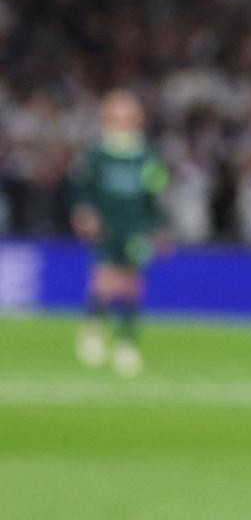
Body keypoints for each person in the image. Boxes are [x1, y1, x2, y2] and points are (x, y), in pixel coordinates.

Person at [70, 89, 169, 377]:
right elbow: (82, 188)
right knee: (104, 278)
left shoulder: (147, 154)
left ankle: (127, 342)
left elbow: (154, 194)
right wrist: (84, 212)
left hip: (135, 226)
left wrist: (158, 227)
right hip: (106, 225)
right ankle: (94, 327)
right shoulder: (98, 154)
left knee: (132, 282)